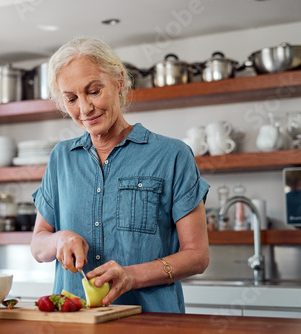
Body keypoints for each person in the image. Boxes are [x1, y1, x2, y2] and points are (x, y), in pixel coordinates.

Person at [30, 37, 210, 313]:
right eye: (71, 99)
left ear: (119, 81)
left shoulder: (172, 155)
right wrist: (58, 239)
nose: (85, 109)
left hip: (151, 323)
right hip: (76, 322)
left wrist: (132, 276)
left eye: (94, 91)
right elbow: (38, 245)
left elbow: (197, 256)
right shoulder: (61, 158)